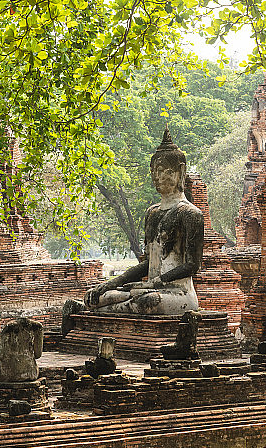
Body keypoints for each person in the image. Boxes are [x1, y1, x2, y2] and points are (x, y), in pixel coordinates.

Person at [84, 127, 203, 314]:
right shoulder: (152, 213)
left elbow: (192, 266)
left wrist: (155, 282)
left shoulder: (190, 213)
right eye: (153, 171)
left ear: (180, 172)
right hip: (150, 288)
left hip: (177, 293)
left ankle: (112, 309)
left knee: (146, 301)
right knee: (94, 298)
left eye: (163, 171)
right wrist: (114, 282)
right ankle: (109, 307)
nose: (156, 177)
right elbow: (148, 263)